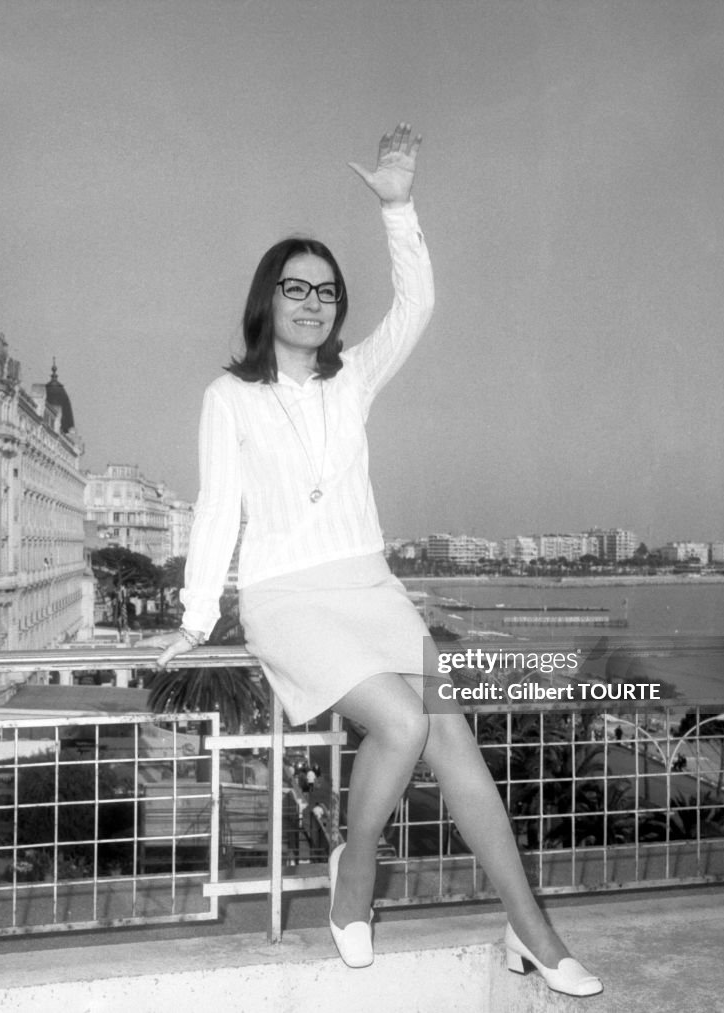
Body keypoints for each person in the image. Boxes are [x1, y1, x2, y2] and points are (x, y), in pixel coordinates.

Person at [144, 124, 602, 997]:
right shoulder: (228, 396)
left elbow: (419, 305)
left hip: (372, 587)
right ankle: (355, 875)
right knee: (400, 722)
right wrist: (198, 615)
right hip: (288, 598)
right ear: (267, 299)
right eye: (296, 287)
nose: (313, 301)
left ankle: (532, 928)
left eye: (326, 289)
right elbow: (216, 510)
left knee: (455, 738)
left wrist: (398, 206)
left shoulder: (353, 376)